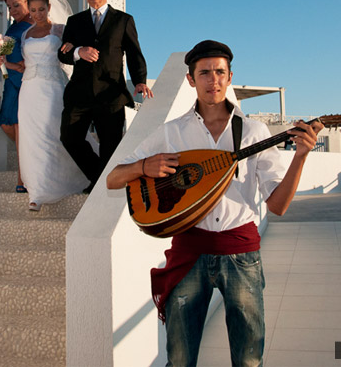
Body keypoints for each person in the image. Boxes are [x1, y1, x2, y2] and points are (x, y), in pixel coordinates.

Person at [107, 40, 322, 366]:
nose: (214, 80)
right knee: (179, 358)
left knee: (248, 358)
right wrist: (142, 167)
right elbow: (113, 178)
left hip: (241, 253)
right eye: (204, 73)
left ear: (230, 76)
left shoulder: (253, 131)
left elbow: (277, 206)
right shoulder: (172, 133)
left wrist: (301, 157)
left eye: (220, 72)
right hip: (189, 253)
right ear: (191, 80)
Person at [57, 0, 152, 193]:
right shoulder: (74, 21)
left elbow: (135, 53)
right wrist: (79, 51)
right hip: (79, 94)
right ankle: (100, 178)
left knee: (110, 146)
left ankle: (101, 187)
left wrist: (140, 80)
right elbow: (62, 54)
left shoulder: (124, 20)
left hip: (111, 94)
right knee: (69, 138)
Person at [14, 0, 89, 211]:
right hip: (29, 89)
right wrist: (4, 63)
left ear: (49, 7)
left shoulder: (60, 29)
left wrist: (73, 48)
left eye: (42, 9)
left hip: (52, 88)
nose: (37, 14)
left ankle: (66, 177)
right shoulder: (25, 34)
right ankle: (36, 193)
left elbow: (71, 53)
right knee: (31, 137)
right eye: (33, 10)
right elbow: (25, 64)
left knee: (52, 133)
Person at [0, 0, 33, 193]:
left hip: (24, 81)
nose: (13, 10)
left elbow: (29, 60)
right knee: (5, 124)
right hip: (11, 81)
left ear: (28, 3)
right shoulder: (13, 27)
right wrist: (1, 61)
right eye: (10, 7)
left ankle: (23, 179)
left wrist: (11, 65)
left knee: (19, 126)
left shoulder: (33, 26)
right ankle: (30, 150)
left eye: (16, 5)